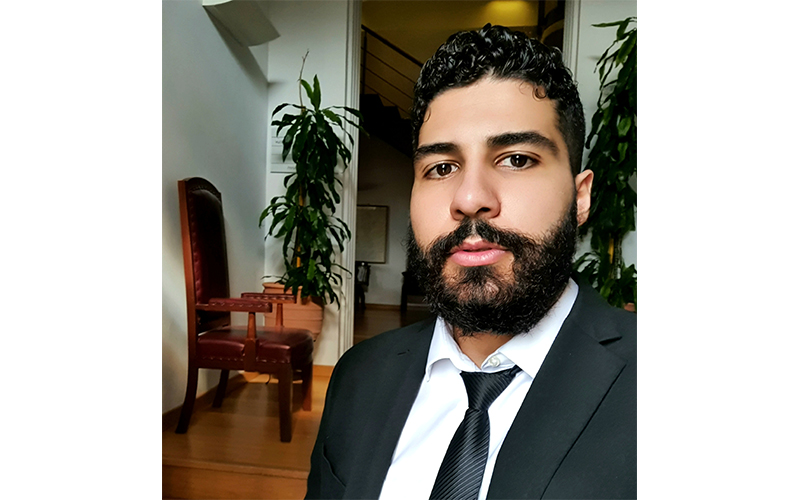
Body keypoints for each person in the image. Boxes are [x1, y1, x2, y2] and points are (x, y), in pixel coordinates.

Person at [306, 24, 635, 500]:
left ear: (580, 196)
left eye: (517, 159)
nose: (469, 198)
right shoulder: (358, 374)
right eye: (441, 167)